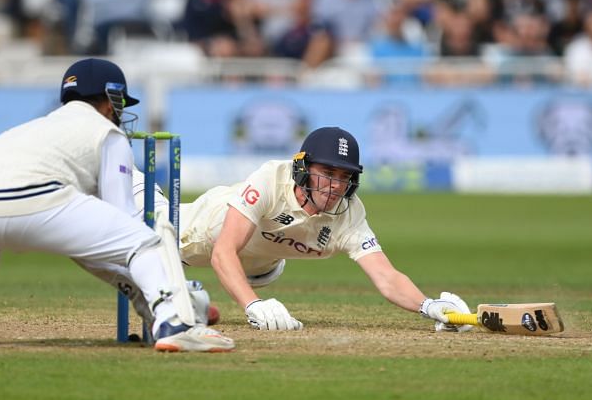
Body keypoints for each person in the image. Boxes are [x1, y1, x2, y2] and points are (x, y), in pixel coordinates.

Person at [0, 58, 234, 353]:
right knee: (144, 240)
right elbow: (124, 219)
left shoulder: (34, 128)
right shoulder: (108, 133)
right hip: (33, 198)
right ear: (110, 99)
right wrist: (165, 284)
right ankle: (173, 320)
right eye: (120, 103)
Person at [137, 126, 473, 332]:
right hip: (182, 230)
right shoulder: (272, 178)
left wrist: (428, 306)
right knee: (125, 198)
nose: (335, 185)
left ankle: (192, 301)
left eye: (344, 176)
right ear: (302, 168)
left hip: (259, 266)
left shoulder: (349, 213)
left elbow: (386, 276)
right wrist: (253, 306)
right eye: (327, 171)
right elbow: (223, 251)